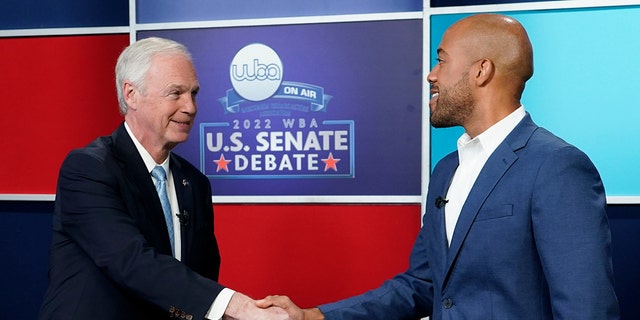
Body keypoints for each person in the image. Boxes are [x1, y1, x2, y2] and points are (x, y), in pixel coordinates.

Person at [257, 13, 620, 319]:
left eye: (442, 60)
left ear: (481, 71)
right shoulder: (447, 169)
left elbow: (586, 308)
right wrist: (315, 315)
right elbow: (423, 285)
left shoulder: (558, 167)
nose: (431, 75)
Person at [39, 37, 290, 320]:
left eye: (193, 93)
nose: (191, 107)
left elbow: (198, 282)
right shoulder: (88, 169)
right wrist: (239, 307)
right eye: (176, 93)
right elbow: (131, 261)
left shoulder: (194, 182)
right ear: (131, 94)